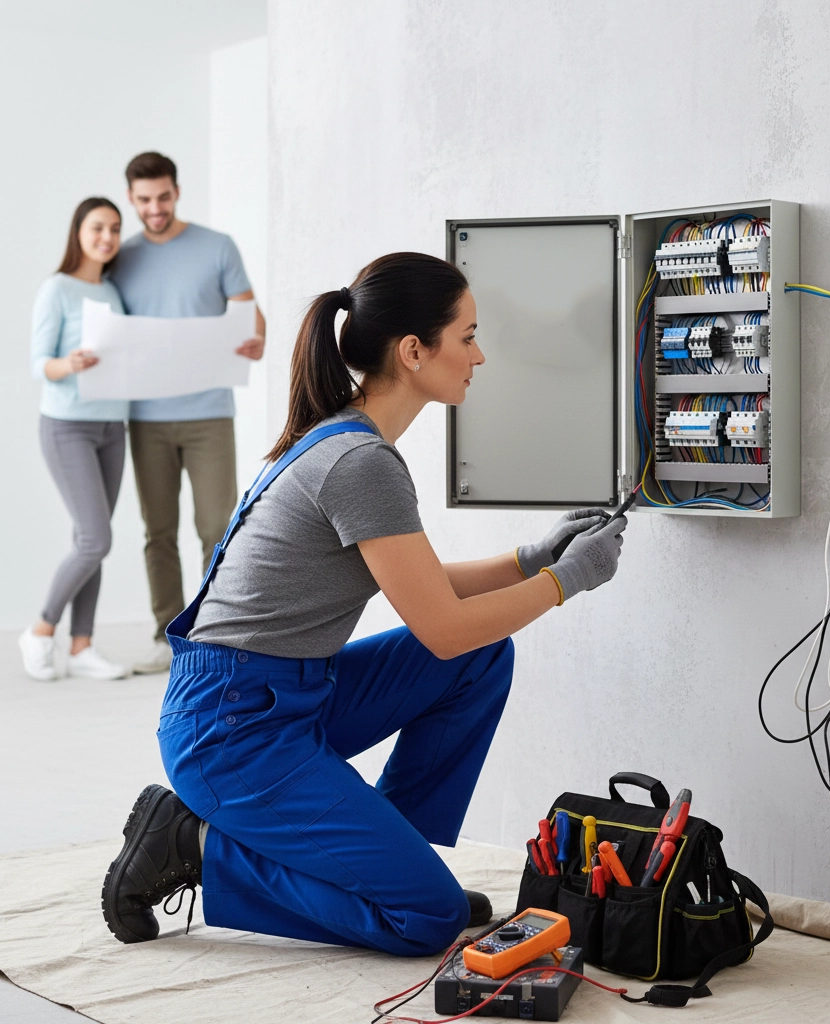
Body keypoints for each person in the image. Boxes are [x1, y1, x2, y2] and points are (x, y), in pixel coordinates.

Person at [101, 253, 628, 956]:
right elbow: (440, 626)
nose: (479, 355)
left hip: (282, 694)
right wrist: (568, 581)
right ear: (414, 352)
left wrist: (530, 560)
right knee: (428, 921)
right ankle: (192, 841)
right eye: (467, 336)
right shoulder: (361, 463)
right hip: (231, 730)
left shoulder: (344, 438)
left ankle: (389, 862)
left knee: (481, 657)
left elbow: (421, 582)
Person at [109, 151, 265, 675]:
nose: (155, 208)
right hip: (146, 416)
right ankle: (164, 636)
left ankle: (210, 636)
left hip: (209, 413)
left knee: (216, 527)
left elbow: (251, 317)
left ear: (177, 191)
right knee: (158, 529)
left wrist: (253, 338)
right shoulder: (121, 257)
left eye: (164, 197)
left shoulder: (216, 247)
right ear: (132, 199)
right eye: (145, 200)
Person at [20, 198, 131, 682]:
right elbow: (38, 363)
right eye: (97, 227)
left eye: (114, 228)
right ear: (78, 232)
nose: (106, 237)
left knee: (93, 540)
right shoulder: (56, 289)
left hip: (113, 427)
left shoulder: (113, 291)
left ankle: (82, 644)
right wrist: (71, 363)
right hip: (67, 425)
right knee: (95, 538)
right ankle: (42, 630)